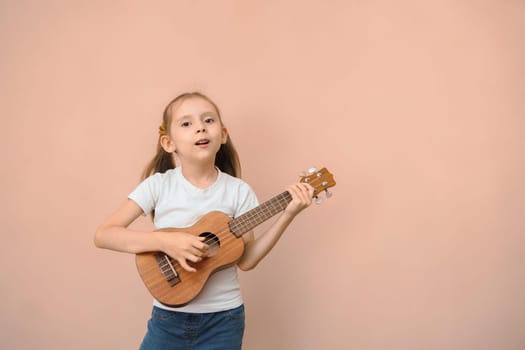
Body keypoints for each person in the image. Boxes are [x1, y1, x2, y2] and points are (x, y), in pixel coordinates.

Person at [94, 92, 314, 349]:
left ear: (222, 134)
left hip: (224, 320)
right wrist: (166, 242)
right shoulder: (158, 185)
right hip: (167, 318)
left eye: (208, 120)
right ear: (168, 143)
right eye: (186, 124)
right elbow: (104, 235)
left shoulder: (238, 191)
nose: (200, 127)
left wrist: (288, 214)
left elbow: (247, 260)